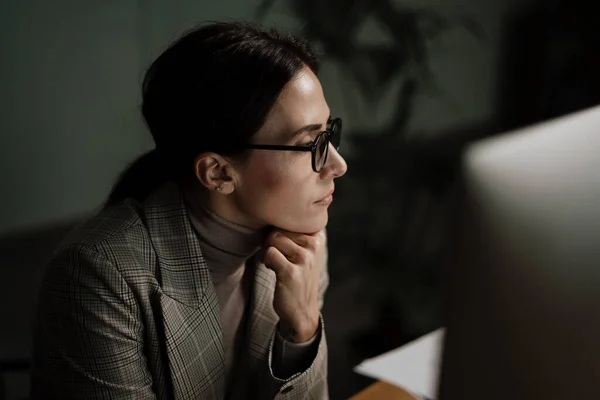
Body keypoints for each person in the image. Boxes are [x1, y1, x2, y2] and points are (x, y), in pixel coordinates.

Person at [30, 21, 347, 400]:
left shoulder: (302, 245)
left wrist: (303, 332)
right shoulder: (97, 275)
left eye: (329, 134)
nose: (338, 164)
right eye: (309, 143)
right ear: (218, 173)